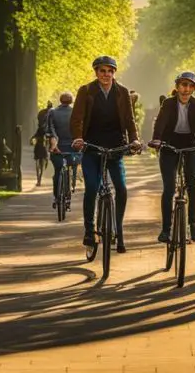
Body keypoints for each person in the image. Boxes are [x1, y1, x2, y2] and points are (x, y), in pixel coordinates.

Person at [69, 55, 142, 253]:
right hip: (92, 147)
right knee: (92, 187)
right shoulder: (86, 91)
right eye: (102, 71)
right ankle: (89, 230)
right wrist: (78, 137)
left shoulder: (123, 92)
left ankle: (118, 229)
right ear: (96, 72)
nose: (106, 75)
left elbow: (129, 120)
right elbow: (77, 119)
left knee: (121, 187)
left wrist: (134, 139)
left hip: (115, 148)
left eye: (110, 71)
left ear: (114, 73)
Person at [150, 72, 195, 244]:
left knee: (192, 183)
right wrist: (157, 139)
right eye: (183, 85)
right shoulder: (168, 103)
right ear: (177, 87)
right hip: (169, 143)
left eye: (190, 86)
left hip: (189, 143)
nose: (186, 89)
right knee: (169, 188)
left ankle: (193, 224)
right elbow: (161, 122)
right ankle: (166, 229)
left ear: (194, 88)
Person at [46, 91, 79, 210]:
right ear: (71, 101)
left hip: (57, 147)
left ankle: (56, 196)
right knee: (69, 169)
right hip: (72, 147)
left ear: (60, 100)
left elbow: (48, 129)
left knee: (57, 171)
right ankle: (68, 194)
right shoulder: (75, 113)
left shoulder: (52, 112)